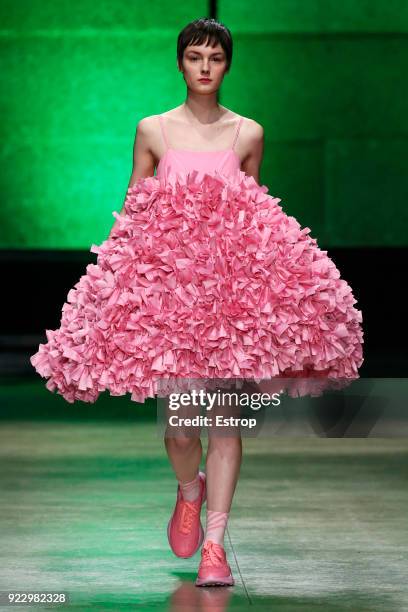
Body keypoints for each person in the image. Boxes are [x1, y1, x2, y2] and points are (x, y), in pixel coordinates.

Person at [30, 17, 364, 587]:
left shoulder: (250, 133)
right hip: (171, 301)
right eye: (194, 56)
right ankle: (190, 489)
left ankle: (215, 545)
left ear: (228, 65)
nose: (205, 66)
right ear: (180, 63)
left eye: (215, 57)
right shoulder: (153, 130)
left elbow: (257, 215)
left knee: (226, 425)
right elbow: (135, 209)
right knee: (184, 430)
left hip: (231, 305)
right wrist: (113, 286)